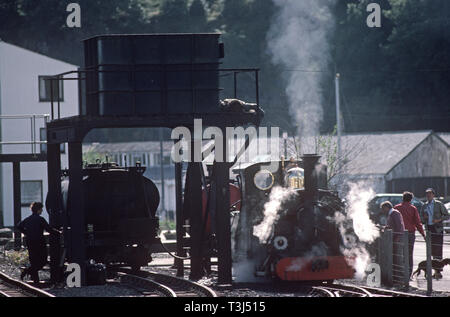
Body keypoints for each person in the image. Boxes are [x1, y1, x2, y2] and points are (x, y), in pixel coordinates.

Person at [15, 202, 60, 283]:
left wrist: (26, 233)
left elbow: (19, 226)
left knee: (33, 260)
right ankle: (27, 271)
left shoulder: (28, 219)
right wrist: (58, 232)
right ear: (38, 210)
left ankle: (36, 280)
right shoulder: (40, 219)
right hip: (40, 242)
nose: (42, 211)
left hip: (30, 242)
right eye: (41, 209)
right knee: (43, 260)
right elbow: (49, 229)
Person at [394, 192, 425, 278]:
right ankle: (408, 274)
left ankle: (400, 273)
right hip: (411, 233)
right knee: (409, 254)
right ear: (411, 199)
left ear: (402, 198)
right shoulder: (413, 208)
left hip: (399, 234)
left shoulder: (397, 208)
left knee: (400, 253)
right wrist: (423, 234)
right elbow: (417, 222)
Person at [420, 188, 449, 279]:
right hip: (429, 229)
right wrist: (424, 218)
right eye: (427, 194)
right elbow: (421, 218)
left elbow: (447, 215)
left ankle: (438, 272)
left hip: (438, 229)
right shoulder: (424, 206)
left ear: (433, 195)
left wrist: (438, 219)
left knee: (438, 250)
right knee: (430, 251)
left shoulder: (439, 204)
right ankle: (433, 271)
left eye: (430, 194)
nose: (428, 196)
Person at [381, 201, 405, 274]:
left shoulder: (395, 213)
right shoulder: (391, 214)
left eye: (383, 208)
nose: (382, 210)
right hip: (395, 237)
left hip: (398, 238)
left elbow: (399, 226)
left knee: (398, 258)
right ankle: (397, 275)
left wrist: (397, 236)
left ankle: (400, 276)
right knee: (396, 257)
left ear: (387, 207)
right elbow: (392, 225)